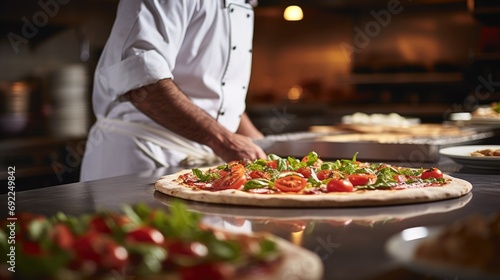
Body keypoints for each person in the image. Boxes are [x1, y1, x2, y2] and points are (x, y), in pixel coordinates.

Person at [80, 0, 266, 181]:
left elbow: (218, 96)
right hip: (143, 157)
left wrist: (261, 144)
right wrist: (224, 141)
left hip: (200, 164)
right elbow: (141, 80)